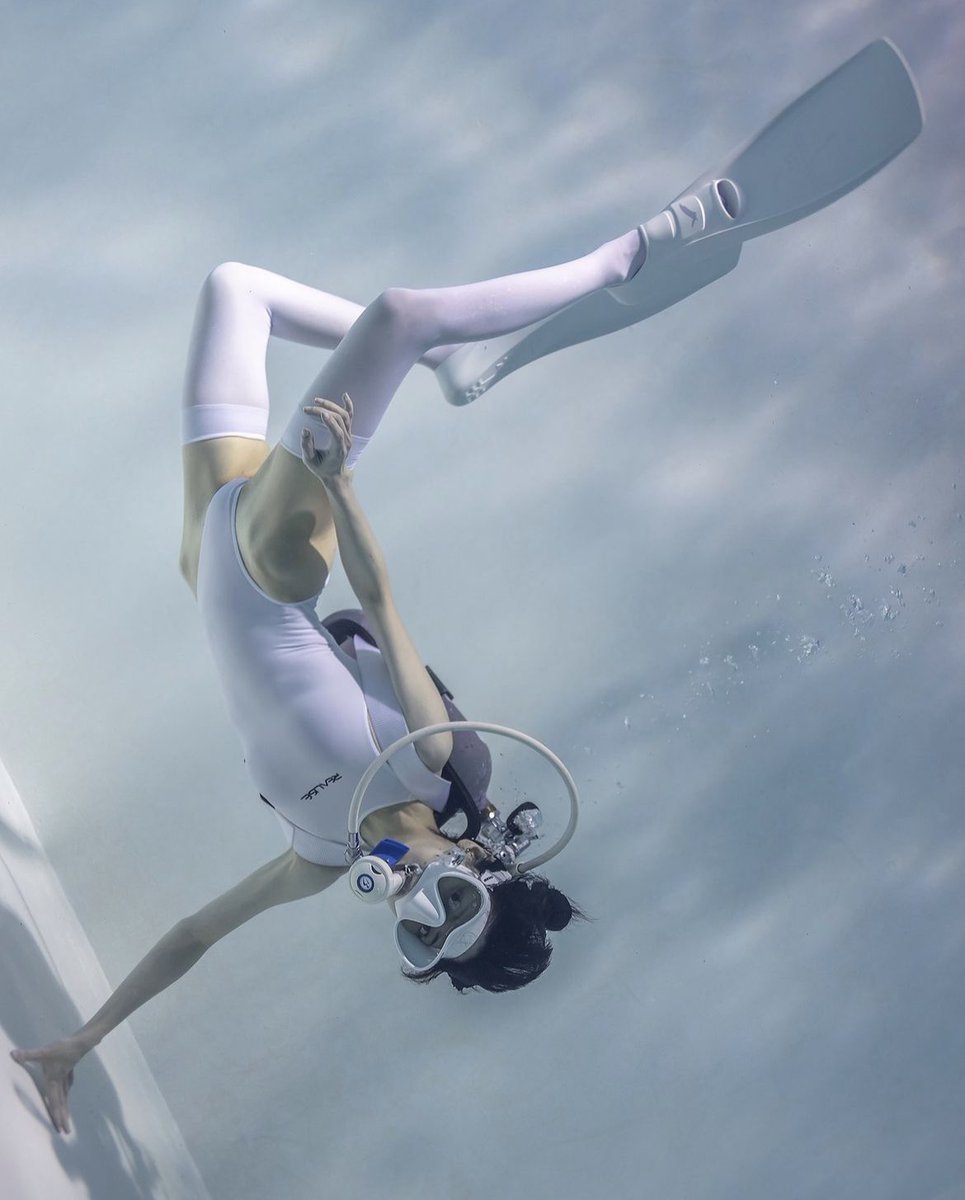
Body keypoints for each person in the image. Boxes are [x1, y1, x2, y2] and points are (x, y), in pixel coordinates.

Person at [11, 230, 650, 1133]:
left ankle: (445, 359)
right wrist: (339, 485)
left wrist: (81, 1041)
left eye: (423, 931)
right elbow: (380, 603)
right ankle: (617, 263)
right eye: (455, 903)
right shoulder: (428, 760)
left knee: (238, 288)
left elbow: (194, 936)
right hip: (273, 562)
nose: (420, 902)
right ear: (479, 866)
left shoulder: (319, 854)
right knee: (398, 315)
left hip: (207, 559)